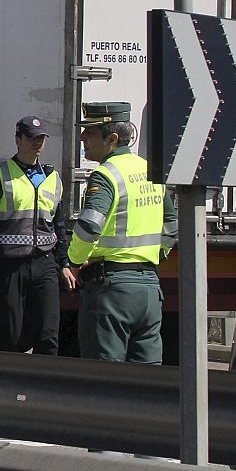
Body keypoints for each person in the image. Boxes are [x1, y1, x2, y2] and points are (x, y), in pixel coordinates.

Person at [64, 101, 177, 364]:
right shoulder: (152, 171)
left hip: (112, 292)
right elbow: (171, 224)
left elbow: (90, 225)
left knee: (106, 380)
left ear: (112, 139)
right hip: (149, 290)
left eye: (90, 132)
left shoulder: (106, 175)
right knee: (145, 380)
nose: (83, 137)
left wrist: (74, 262)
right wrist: (155, 254)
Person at [0, 115, 70, 354]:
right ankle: (12, 386)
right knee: (12, 336)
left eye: (41, 139)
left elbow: (59, 224)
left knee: (48, 334)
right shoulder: (0, 174)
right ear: (18, 139)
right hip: (10, 265)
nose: (37, 143)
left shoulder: (52, 178)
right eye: (32, 138)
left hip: (45, 264)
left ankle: (45, 386)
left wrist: (64, 262)